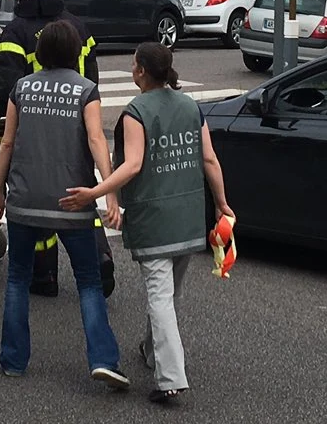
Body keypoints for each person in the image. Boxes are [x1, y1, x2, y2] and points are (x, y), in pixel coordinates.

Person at [64, 44, 232, 404]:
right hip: (188, 216)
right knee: (169, 294)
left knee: (159, 295)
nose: (131, 67)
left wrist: (95, 192)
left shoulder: (135, 112)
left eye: (133, 63)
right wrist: (221, 204)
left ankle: (170, 377)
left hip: (154, 218)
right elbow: (209, 159)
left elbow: (133, 165)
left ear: (141, 71)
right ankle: (151, 350)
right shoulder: (191, 107)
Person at [0, 21, 127, 389]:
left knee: (17, 277)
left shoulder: (21, 87)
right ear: (74, 51)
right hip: (73, 199)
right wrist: (109, 193)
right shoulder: (86, 90)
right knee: (88, 283)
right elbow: (97, 140)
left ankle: (13, 359)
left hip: (25, 198)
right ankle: (103, 358)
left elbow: (7, 143)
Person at [0, 0, 106, 298]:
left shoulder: (17, 32)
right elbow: (92, 75)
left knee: (40, 192)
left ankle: (44, 276)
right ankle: (101, 256)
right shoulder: (77, 25)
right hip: (81, 113)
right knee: (81, 188)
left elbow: (7, 82)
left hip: (37, 124)